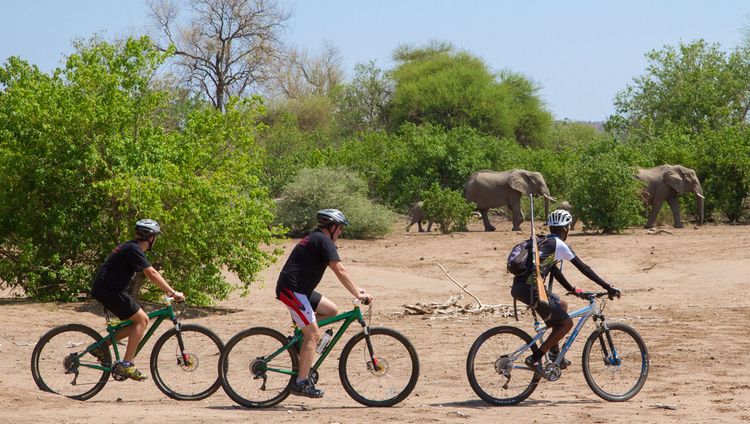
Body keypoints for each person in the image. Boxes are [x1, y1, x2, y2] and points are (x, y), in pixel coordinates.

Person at [510, 209, 620, 379]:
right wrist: (607, 286)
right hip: (531, 290)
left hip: (522, 288)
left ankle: (554, 354)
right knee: (566, 323)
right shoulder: (559, 244)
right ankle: (535, 358)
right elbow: (583, 267)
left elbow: (554, 271)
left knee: (562, 305)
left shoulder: (544, 242)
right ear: (566, 228)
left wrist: (573, 290)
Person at [276, 209, 373, 398]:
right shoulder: (323, 240)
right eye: (341, 228)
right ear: (332, 226)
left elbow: (341, 271)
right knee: (313, 334)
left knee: (331, 310)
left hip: (300, 290)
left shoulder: (319, 239)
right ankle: (301, 383)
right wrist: (357, 294)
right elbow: (340, 270)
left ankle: (300, 342)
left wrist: (357, 290)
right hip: (292, 290)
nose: (341, 232)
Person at [90, 219, 185, 381]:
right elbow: (151, 273)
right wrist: (172, 292)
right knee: (142, 320)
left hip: (108, 289)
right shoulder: (133, 249)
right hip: (109, 290)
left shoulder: (131, 248)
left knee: (137, 323)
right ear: (150, 237)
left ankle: (101, 347)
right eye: (155, 237)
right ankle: (126, 364)